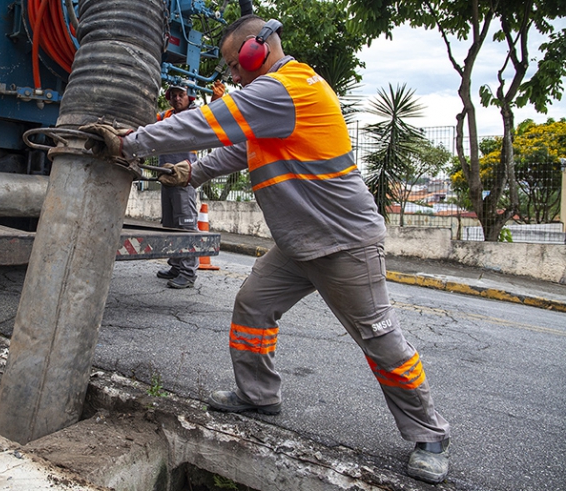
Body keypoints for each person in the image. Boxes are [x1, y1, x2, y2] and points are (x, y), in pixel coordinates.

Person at [81, 14, 451, 485]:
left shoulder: (287, 89)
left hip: (344, 243)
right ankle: (258, 395)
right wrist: (190, 174)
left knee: (379, 338)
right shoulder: (271, 103)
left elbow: (208, 123)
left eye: (237, 64)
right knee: (253, 307)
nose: (233, 76)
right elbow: (238, 148)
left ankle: (430, 434)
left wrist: (128, 142)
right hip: (299, 243)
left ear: (262, 48)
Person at [155, 80, 225, 288]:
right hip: (166, 177)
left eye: (181, 94)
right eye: (173, 95)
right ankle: (176, 266)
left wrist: (216, 101)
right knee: (170, 225)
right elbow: (146, 121)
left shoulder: (196, 115)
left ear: (190, 97)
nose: (177, 98)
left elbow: (212, 117)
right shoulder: (167, 116)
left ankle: (187, 273)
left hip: (184, 179)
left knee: (185, 225)